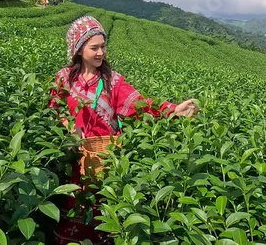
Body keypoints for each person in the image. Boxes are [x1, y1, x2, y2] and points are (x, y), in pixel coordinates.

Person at [49, 16, 198, 244]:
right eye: (94, 48)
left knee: (106, 212)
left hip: (107, 160)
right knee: (74, 210)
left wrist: (173, 109)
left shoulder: (112, 81)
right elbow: (55, 106)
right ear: (79, 49)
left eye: (103, 46)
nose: (100, 53)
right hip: (75, 159)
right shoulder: (64, 79)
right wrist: (69, 127)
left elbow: (140, 104)